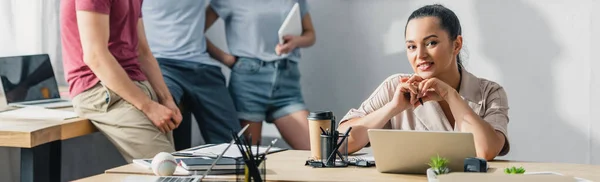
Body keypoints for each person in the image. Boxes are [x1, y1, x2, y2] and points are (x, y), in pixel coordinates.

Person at [338, 4, 510, 160]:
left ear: (456, 45)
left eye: (431, 43)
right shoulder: (395, 87)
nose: (420, 55)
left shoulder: (490, 92)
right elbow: (339, 143)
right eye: (412, 46)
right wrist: (392, 108)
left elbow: (486, 151)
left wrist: (451, 96)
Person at [60, 0, 182, 162]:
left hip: (137, 87)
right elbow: (95, 57)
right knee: (170, 169)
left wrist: (167, 99)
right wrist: (148, 106)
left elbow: (142, 51)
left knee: (172, 167)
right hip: (100, 89)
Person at [206, 0, 316, 149]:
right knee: (249, 159)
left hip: (287, 83)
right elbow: (195, 32)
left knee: (318, 151)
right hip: (248, 83)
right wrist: (227, 59)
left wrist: (295, 41)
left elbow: (310, 34)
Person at [142, 0, 242, 149]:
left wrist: (225, 58)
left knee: (234, 146)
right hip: (162, 64)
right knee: (165, 117)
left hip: (203, 67)